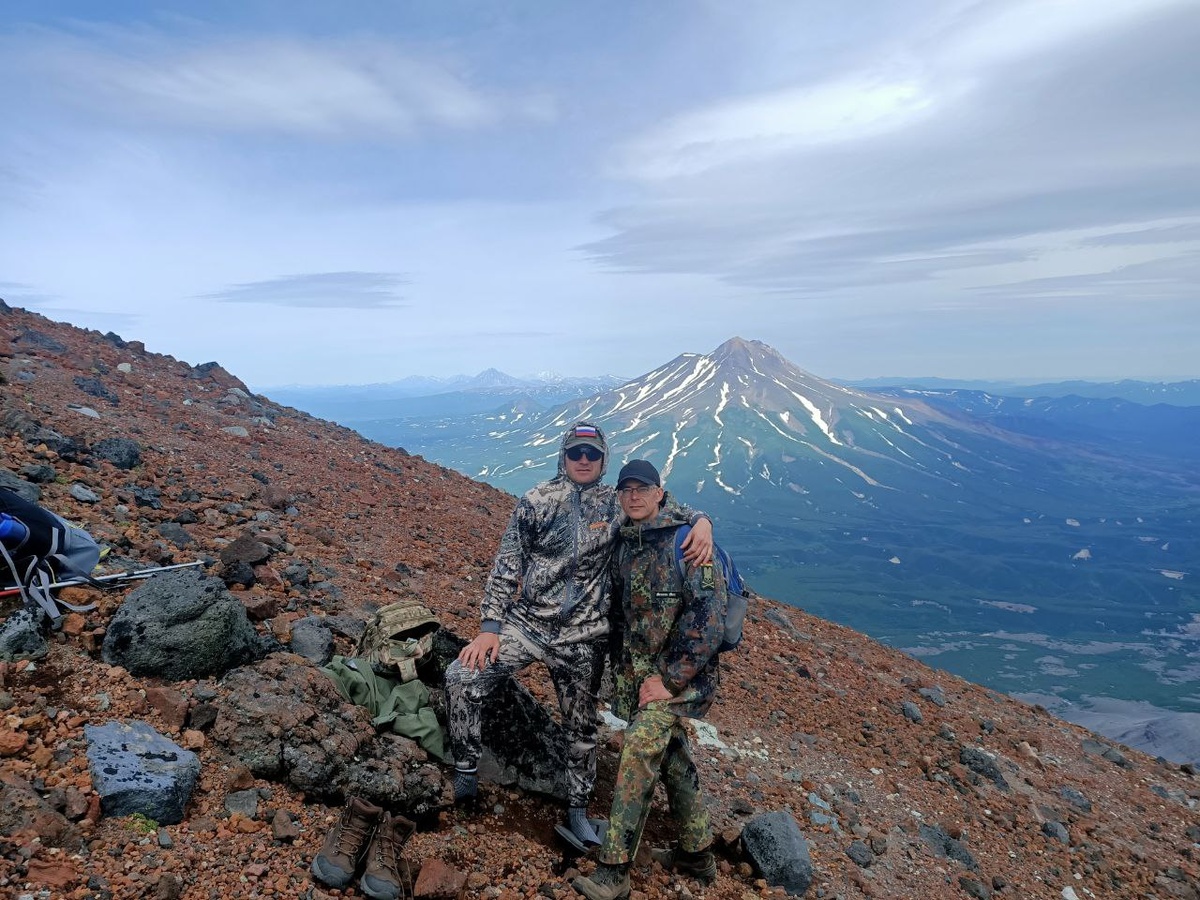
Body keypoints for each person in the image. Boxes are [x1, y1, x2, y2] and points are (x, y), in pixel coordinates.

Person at [444, 423, 712, 850]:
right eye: (575, 454)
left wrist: (702, 522)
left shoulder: (617, 502)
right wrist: (489, 629)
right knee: (461, 677)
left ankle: (577, 812)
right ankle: (465, 776)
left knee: (583, 728)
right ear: (563, 456)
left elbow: (665, 506)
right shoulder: (536, 501)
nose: (583, 461)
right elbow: (506, 565)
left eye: (591, 454)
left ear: (603, 460)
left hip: (583, 637)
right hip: (527, 624)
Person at [572, 459, 726, 900]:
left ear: (661, 493)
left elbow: (709, 622)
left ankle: (614, 870)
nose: (634, 496)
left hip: (680, 681)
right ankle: (697, 856)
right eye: (627, 489)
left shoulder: (689, 544)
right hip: (640, 678)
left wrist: (670, 680)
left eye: (643, 488)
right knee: (671, 753)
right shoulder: (626, 540)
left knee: (639, 749)